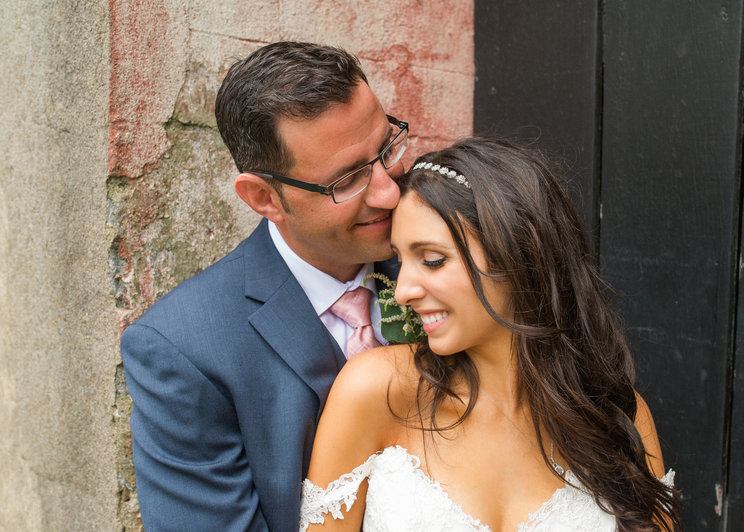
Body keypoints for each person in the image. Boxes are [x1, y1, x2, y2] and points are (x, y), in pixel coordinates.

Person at [299, 137, 681, 531]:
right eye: (400, 260)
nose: (402, 290)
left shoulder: (618, 417)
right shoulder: (376, 389)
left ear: (519, 255)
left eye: (432, 260)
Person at [120, 42, 408, 530]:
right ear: (263, 197)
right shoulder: (182, 349)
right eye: (349, 179)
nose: (390, 190)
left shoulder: (453, 259)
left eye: (387, 148)